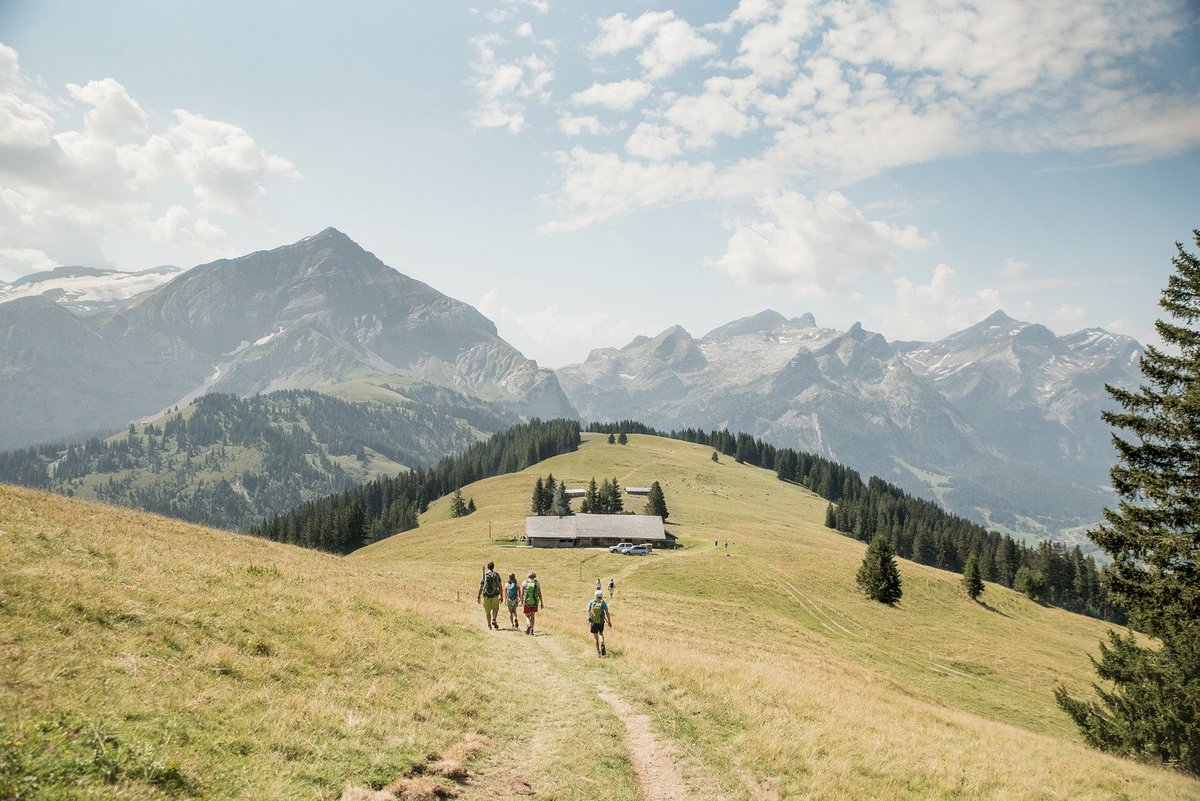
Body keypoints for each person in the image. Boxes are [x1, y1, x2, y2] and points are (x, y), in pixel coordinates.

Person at [477, 561, 502, 630]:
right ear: (493, 567)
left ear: (488, 567)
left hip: (486, 596)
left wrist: (478, 597)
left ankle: (489, 625)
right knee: (495, 609)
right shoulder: (497, 575)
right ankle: (494, 619)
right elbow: (500, 586)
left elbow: (481, 587)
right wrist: (501, 596)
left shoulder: (484, 575)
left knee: (487, 611)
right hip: (495, 595)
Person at [588, 589, 612, 656]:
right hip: (601, 622)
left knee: (596, 638)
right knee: (601, 633)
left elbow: (589, 611)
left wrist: (589, 618)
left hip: (593, 622)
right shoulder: (603, 603)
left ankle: (598, 652)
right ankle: (602, 643)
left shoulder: (591, 602)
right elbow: (607, 613)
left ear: (595, 595)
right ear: (601, 595)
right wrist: (609, 621)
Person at [522, 571, 544, 635]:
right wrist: (541, 602)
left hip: (527, 602)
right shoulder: (537, 583)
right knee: (533, 615)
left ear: (528, 576)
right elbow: (539, 593)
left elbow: (522, 593)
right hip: (535, 602)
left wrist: (522, 600)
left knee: (527, 615)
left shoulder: (525, 582)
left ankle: (528, 625)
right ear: (534, 576)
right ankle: (532, 629)